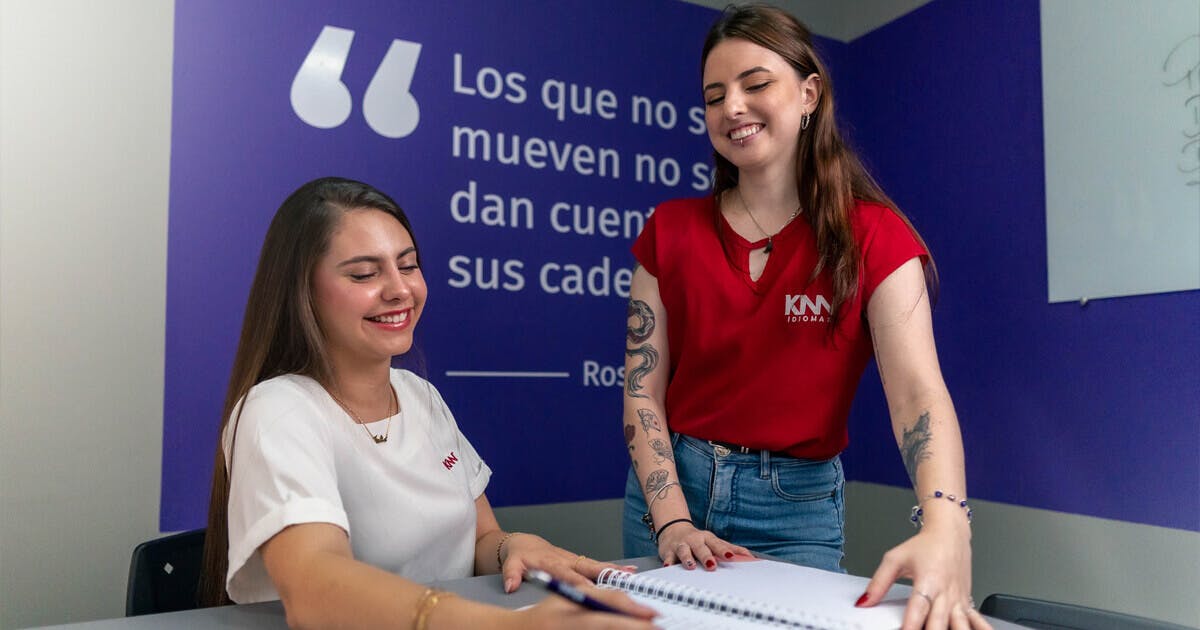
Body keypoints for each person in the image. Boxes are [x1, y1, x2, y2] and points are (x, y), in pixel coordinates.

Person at [621, 5, 991, 630]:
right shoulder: (669, 231)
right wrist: (673, 518)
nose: (732, 106)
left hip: (795, 509)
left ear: (809, 93)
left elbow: (917, 393)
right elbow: (641, 391)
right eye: (715, 95)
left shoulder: (875, 236)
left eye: (755, 83)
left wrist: (947, 520)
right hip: (668, 494)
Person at [197, 177, 655, 629]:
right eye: (364, 274)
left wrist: (509, 546)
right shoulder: (277, 410)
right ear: (303, 292)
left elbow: (480, 536)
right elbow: (314, 589)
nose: (400, 290)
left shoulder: (420, 397)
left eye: (409, 265)